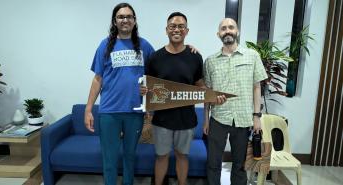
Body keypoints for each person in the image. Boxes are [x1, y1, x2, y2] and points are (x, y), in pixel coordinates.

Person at [84, 3, 154, 185]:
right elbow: (97, 79)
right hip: (109, 112)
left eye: (129, 16)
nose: (125, 20)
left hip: (135, 113)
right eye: (121, 17)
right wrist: (88, 110)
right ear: (115, 21)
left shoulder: (144, 46)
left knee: (130, 157)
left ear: (134, 20)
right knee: (109, 160)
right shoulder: (105, 45)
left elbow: (159, 70)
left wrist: (186, 47)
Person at [203, 18, 268, 185]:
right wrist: (205, 119)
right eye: (223, 28)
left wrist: (256, 116)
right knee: (213, 163)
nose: (227, 31)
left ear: (237, 31)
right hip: (218, 118)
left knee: (239, 164)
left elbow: (256, 88)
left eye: (231, 27)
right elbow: (207, 93)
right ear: (219, 34)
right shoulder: (210, 61)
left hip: (243, 118)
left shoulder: (252, 56)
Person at [144, 12, 205, 185]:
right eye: (172, 26)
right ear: (166, 30)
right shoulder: (155, 57)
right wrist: (145, 96)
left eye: (180, 26)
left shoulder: (195, 56)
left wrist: (211, 94)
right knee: (161, 156)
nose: (176, 29)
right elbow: (148, 87)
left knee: (182, 155)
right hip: (162, 119)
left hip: (186, 118)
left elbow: (200, 85)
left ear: (186, 31)